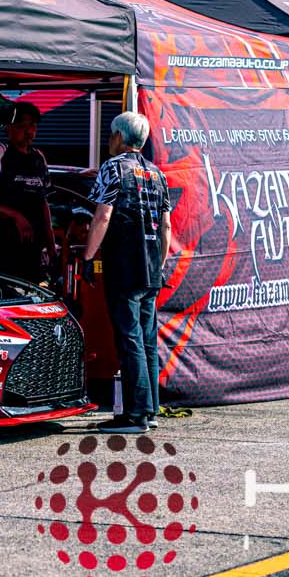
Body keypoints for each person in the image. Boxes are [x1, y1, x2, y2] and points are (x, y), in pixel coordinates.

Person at [79, 111, 171, 434]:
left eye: (111, 134)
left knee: (129, 339)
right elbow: (166, 226)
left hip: (124, 265)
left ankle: (135, 415)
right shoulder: (157, 173)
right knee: (147, 340)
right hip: (151, 268)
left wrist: (88, 257)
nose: (109, 140)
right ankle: (150, 410)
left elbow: (102, 216)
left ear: (119, 136)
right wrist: (159, 265)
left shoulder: (113, 168)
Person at [0, 101, 53, 283]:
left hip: (32, 250)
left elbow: (43, 202)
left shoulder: (39, 158)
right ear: (8, 128)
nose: (29, 132)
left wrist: (50, 244)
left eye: (33, 126)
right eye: (22, 126)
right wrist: (16, 216)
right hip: (2, 247)